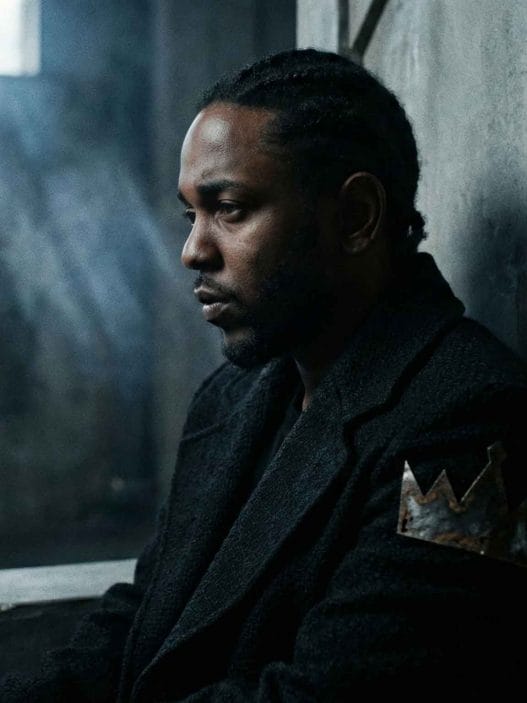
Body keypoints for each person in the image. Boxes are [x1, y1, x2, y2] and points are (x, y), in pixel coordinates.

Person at [2, 48, 527, 702]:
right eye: (190, 215)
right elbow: (146, 614)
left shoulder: (467, 422)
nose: (193, 250)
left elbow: (337, 693)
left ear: (356, 217)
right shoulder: (234, 396)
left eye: (229, 208)